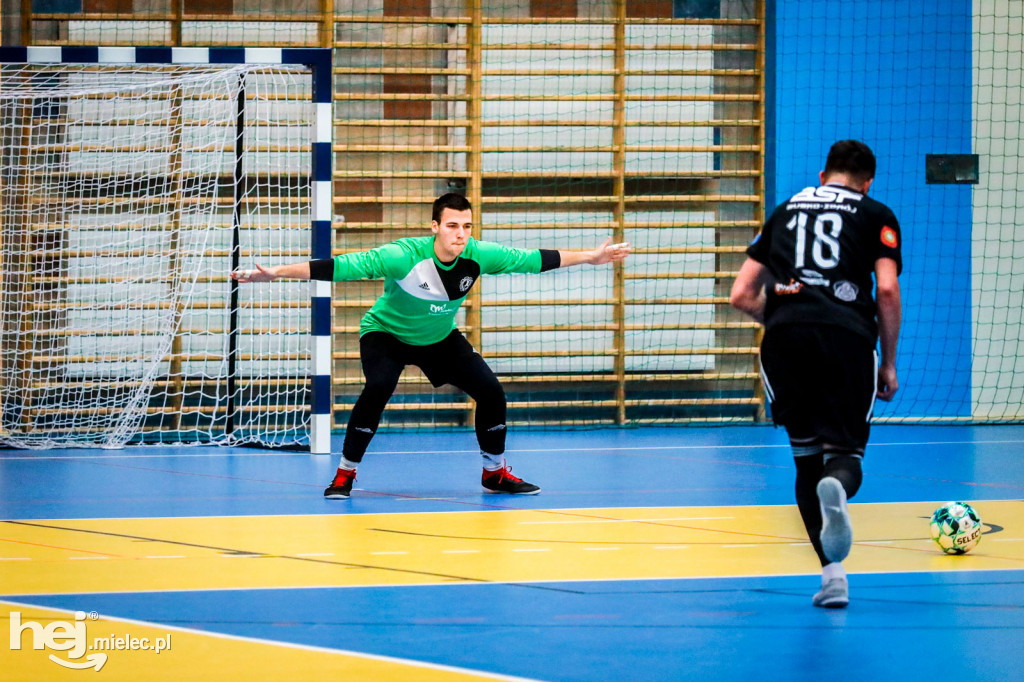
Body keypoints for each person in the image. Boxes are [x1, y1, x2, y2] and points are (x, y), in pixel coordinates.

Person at [233, 192, 631, 499]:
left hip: (439, 337)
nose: (460, 234)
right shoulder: (401, 257)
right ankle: (345, 473)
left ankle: (494, 472)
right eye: (453, 225)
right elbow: (341, 266)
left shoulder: (479, 256)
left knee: (492, 392)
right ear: (435, 227)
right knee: (378, 387)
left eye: (467, 226)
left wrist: (591, 258)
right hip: (386, 334)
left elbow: (535, 259)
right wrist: (278, 274)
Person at [729, 140, 902, 609]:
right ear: (867, 182)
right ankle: (838, 487)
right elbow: (885, 289)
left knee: (805, 459)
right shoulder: (875, 213)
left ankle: (832, 578)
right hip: (846, 339)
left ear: (823, 175)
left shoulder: (786, 210)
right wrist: (887, 361)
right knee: (842, 458)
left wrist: (789, 320)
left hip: (784, 341)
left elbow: (741, 294)